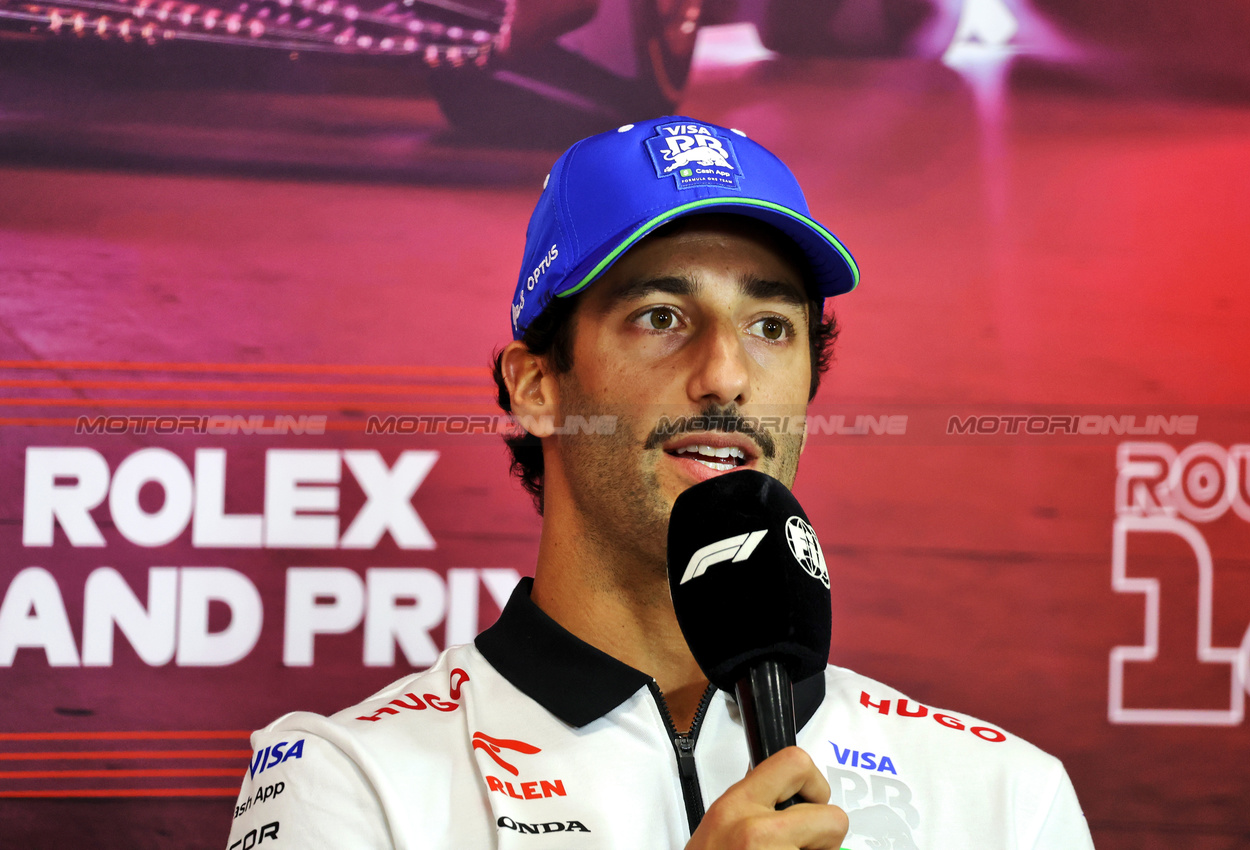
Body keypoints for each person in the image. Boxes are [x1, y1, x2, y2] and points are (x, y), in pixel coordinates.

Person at [224, 116, 1095, 850]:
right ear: (537, 386)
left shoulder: (1003, 798)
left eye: (768, 325)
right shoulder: (348, 778)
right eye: (660, 317)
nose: (725, 375)